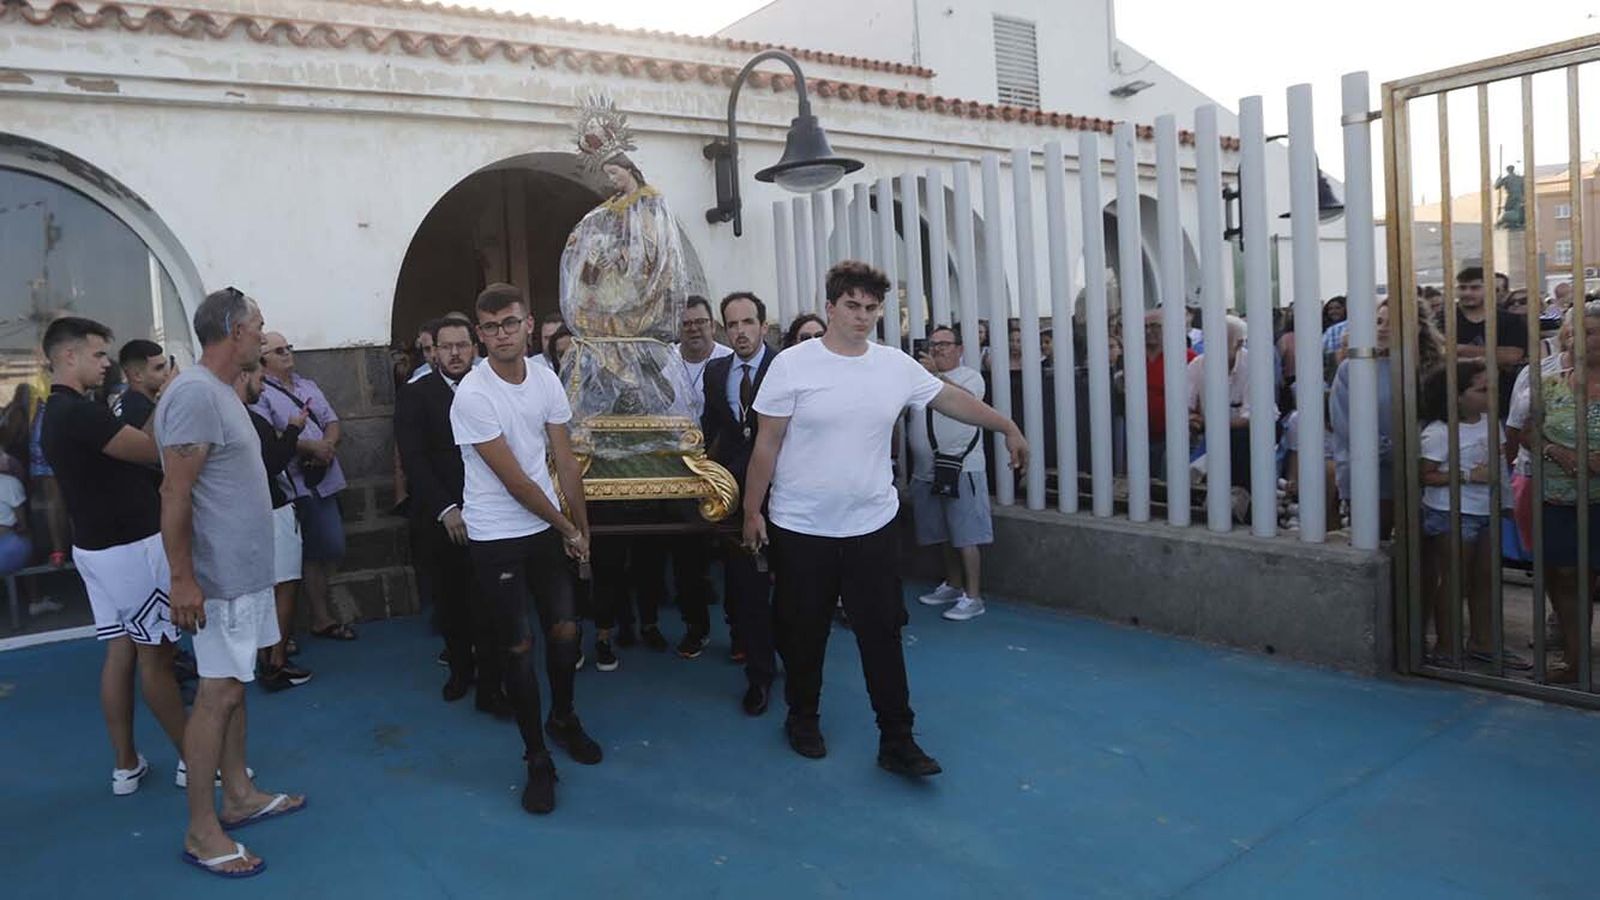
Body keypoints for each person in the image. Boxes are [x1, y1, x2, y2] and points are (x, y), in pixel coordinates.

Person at [742, 260, 1028, 776]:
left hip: (871, 525)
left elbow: (952, 400)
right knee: (803, 630)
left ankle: (897, 738)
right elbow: (767, 443)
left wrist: (1005, 425)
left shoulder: (895, 366)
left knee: (882, 632)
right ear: (831, 307)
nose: (862, 316)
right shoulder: (792, 365)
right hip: (802, 526)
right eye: (852, 306)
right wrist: (750, 512)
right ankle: (802, 719)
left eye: (872, 307)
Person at [155, 288, 306, 878]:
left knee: (235, 687)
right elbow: (174, 490)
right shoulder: (194, 393)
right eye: (259, 327)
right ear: (234, 332)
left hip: (243, 573)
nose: (265, 338)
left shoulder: (216, 392)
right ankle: (201, 829)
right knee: (215, 695)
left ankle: (239, 795)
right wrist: (183, 578)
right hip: (217, 580)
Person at [452, 283, 601, 815]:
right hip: (497, 537)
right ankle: (536, 757)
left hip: (546, 530)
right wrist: (567, 528)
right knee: (517, 647)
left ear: (529, 324)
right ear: (480, 334)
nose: (501, 335)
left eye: (509, 323)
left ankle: (563, 717)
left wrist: (584, 534)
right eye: (490, 328)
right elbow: (516, 482)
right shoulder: (471, 395)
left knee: (565, 631)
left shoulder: (544, 379)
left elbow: (564, 459)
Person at [38, 316, 186, 795]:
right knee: (157, 658)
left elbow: (122, 448)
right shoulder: (78, 413)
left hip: (98, 549)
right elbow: (151, 451)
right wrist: (170, 401)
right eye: (99, 354)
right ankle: (198, 759)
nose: (107, 364)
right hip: (128, 551)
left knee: (121, 651)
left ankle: (126, 764)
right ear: (68, 356)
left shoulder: (59, 413)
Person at [396, 315, 510, 716]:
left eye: (462, 345)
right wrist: (446, 510)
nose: (456, 353)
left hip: (493, 516)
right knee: (451, 600)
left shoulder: (492, 389)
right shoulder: (416, 394)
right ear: (434, 351)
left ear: (474, 347)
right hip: (442, 516)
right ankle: (461, 670)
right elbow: (414, 459)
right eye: (447, 346)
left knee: (493, 603)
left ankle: (493, 686)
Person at [1418, 360, 1526, 670]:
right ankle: (1446, 646)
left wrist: (1506, 504)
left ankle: (1483, 642)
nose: (1491, 394)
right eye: (1481, 389)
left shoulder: (1491, 422)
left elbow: (1499, 468)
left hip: (1484, 511)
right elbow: (1424, 475)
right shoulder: (1439, 433)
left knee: (1485, 579)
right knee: (1454, 580)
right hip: (1452, 512)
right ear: (1457, 395)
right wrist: (1466, 476)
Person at [702, 291, 778, 713]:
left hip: (786, 496)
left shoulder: (785, 367)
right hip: (735, 499)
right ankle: (760, 676)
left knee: (792, 590)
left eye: (748, 322)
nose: (740, 332)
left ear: (763, 326)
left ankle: (791, 660)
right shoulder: (716, 372)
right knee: (746, 588)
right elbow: (712, 431)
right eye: (732, 325)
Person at [253, 331, 356, 641]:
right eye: (278, 350)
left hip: (321, 480)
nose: (287, 353)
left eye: (288, 347)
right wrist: (309, 447)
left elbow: (332, 420)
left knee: (324, 549)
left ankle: (317, 619)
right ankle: (283, 636)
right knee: (289, 560)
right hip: (292, 486)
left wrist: (327, 445)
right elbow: (266, 437)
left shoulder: (307, 386)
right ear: (263, 360)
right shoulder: (260, 393)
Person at [1535, 299, 1600, 684]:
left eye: (1589, 333)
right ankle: (1578, 662)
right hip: (1559, 500)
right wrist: (1553, 449)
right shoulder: (1550, 384)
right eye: (1574, 331)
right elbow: (1523, 432)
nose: (1578, 339)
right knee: (1564, 576)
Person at [239, 357, 313, 692]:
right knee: (284, 585)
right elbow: (273, 462)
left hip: (244, 515)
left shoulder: (223, 419)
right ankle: (277, 662)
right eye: (259, 377)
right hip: (273, 511)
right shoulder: (251, 421)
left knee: (263, 589)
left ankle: (263, 657)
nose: (263, 385)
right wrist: (295, 428)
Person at [910, 325, 992, 622]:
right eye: (933, 344)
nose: (938, 349)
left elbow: (970, 401)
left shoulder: (970, 376)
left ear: (959, 349)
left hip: (961, 468)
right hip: (927, 470)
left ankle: (973, 596)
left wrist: (937, 376)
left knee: (966, 535)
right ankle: (953, 584)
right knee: (944, 534)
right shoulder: (918, 378)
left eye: (945, 344)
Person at [1447, 265, 1527, 416]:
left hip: (1501, 402)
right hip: (1454, 404)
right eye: (1462, 287)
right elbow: (1439, 353)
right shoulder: (1444, 319)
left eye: (1475, 288)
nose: (1467, 292)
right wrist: (1493, 355)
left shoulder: (1510, 320)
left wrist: (1459, 350)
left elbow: (1512, 356)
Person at [675, 295, 733, 420]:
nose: (693, 328)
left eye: (700, 321)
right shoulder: (664, 360)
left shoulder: (730, 360)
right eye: (686, 324)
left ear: (713, 326)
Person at [116, 340, 172, 430]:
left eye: (166, 365)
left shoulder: (129, 400)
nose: (167, 373)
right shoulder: (138, 409)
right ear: (137, 376)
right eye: (159, 368)